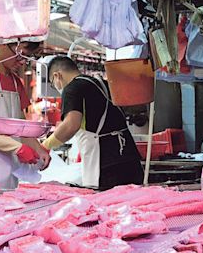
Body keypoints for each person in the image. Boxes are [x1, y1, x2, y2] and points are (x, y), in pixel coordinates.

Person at [41, 56, 144, 189]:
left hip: (106, 165)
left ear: (57, 76)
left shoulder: (72, 89)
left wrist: (45, 146)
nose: (55, 87)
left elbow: (71, 125)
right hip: (129, 159)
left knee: (111, 207)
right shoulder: (101, 83)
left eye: (52, 83)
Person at [0, 41, 51, 189]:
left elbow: (21, 126)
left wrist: (38, 149)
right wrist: (17, 148)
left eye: (27, 57)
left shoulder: (15, 82)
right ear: (3, 44)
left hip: (10, 168)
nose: (22, 61)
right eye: (20, 55)